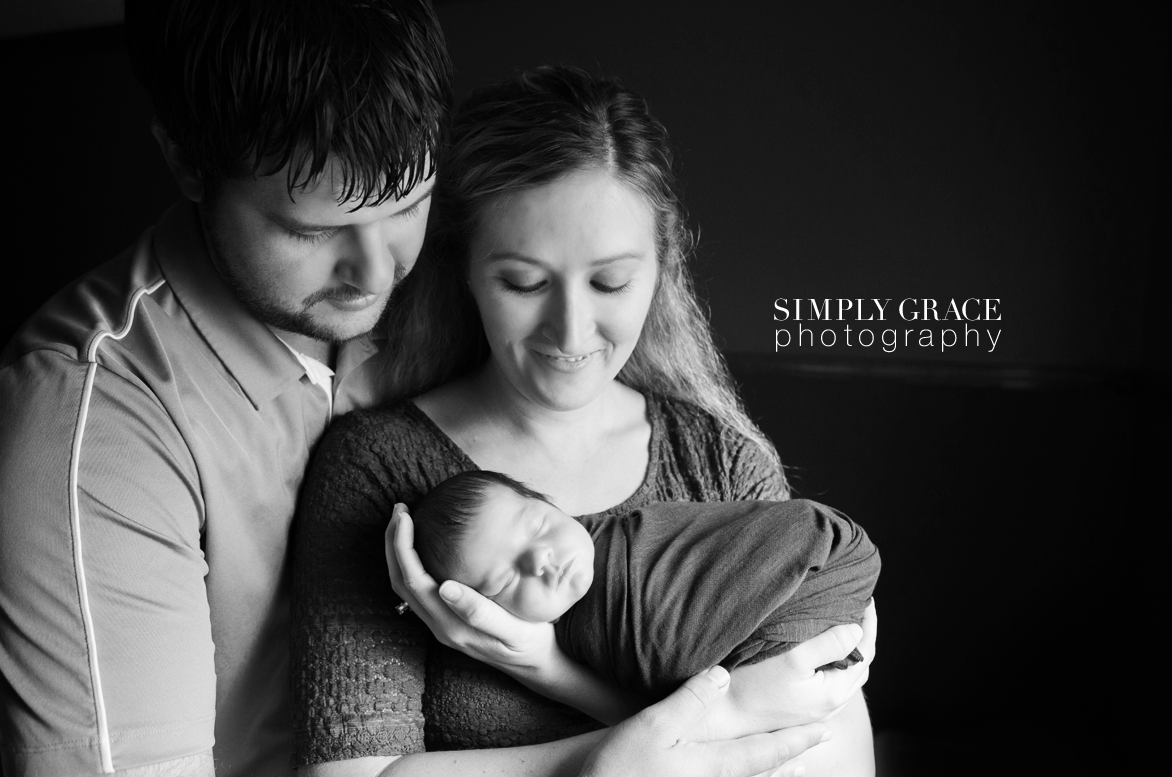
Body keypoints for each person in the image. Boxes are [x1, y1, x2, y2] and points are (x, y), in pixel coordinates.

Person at [0, 4, 827, 776]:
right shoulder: (95, 418)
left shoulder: (444, 305)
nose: (373, 275)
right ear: (186, 159)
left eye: (409, 203)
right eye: (310, 230)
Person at [291, 65, 877, 776]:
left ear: (664, 267)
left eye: (610, 282)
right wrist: (681, 735)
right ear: (464, 269)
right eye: (525, 282)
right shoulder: (382, 473)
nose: (570, 331)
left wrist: (551, 671)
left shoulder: (717, 461)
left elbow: (815, 732)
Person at [410, 470, 880, 695]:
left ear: (554, 504)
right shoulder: (570, 640)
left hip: (824, 556)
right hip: (792, 646)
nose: (542, 561)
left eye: (536, 526)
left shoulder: (622, 542)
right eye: (504, 578)